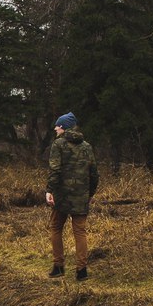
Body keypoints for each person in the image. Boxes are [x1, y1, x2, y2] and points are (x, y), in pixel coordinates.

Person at [45, 112, 99, 280]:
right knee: (80, 232)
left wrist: (49, 190)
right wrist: (90, 193)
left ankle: (58, 267)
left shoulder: (58, 145)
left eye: (57, 126)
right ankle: (81, 271)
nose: (55, 128)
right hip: (81, 196)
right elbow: (94, 174)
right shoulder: (87, 146)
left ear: (63, 127)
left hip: (62, 196)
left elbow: (55, 170)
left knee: (56, 228)